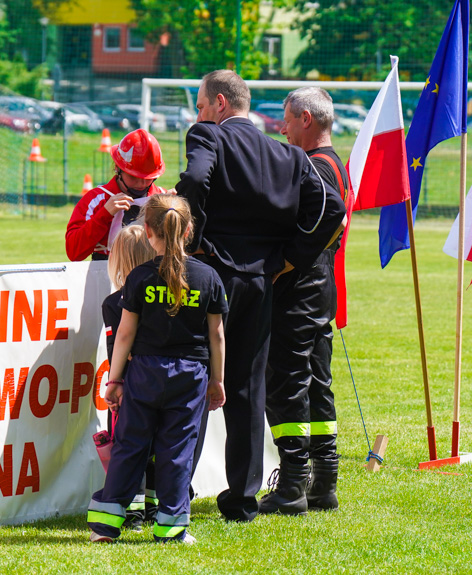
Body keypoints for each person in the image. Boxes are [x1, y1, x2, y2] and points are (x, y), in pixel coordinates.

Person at [175, 69, 344, 522]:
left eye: (201, 104)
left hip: (213, 273)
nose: (199, 113)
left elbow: (193, 181)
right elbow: (331, 207)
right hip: (261, 282)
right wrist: (287, 257)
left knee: (195, 378)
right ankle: (243, 499)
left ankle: (178, 491)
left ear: (220, 106)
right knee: (248, 387)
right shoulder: (286, 155)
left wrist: (193, 243)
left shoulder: (208, 136)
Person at [87, 194, 227, 544]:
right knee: (177, 450)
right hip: (190, 375)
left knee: (129, 447)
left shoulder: (139, 278)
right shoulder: (209, 278)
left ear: (148, 232)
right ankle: (171, 528)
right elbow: (217, 336)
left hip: (144, 373)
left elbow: (124, 335)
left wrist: (115, 379)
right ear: (189, 230)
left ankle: (105, 528)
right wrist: (218, 380)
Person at [260, 87, 348, 515]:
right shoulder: (335, 163)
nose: (283, 127)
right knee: (316, 380)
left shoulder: (315, 166)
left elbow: (335, 215)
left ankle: (293, 484)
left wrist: (287, 262)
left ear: (307, 119)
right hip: (320, 287)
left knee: (287, 381)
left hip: (300, 289)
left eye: (288, 119)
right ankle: (324, 482)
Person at [102, 223, 158, 530]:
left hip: (130, 385)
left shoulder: (113, 304)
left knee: (128, 447)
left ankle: (132, 511)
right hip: (161, 381)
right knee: (158, 448)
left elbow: (116, 348)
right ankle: (154, 505)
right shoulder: (162, 295)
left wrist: (115, 382)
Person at [66, 129, 167, 262]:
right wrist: (104, 215)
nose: (141, 183)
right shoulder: (97, 199)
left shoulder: (163, 198)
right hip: (107, 278)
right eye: (133, 177)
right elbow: (73, 252)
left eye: (149, 178)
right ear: (117, 168)